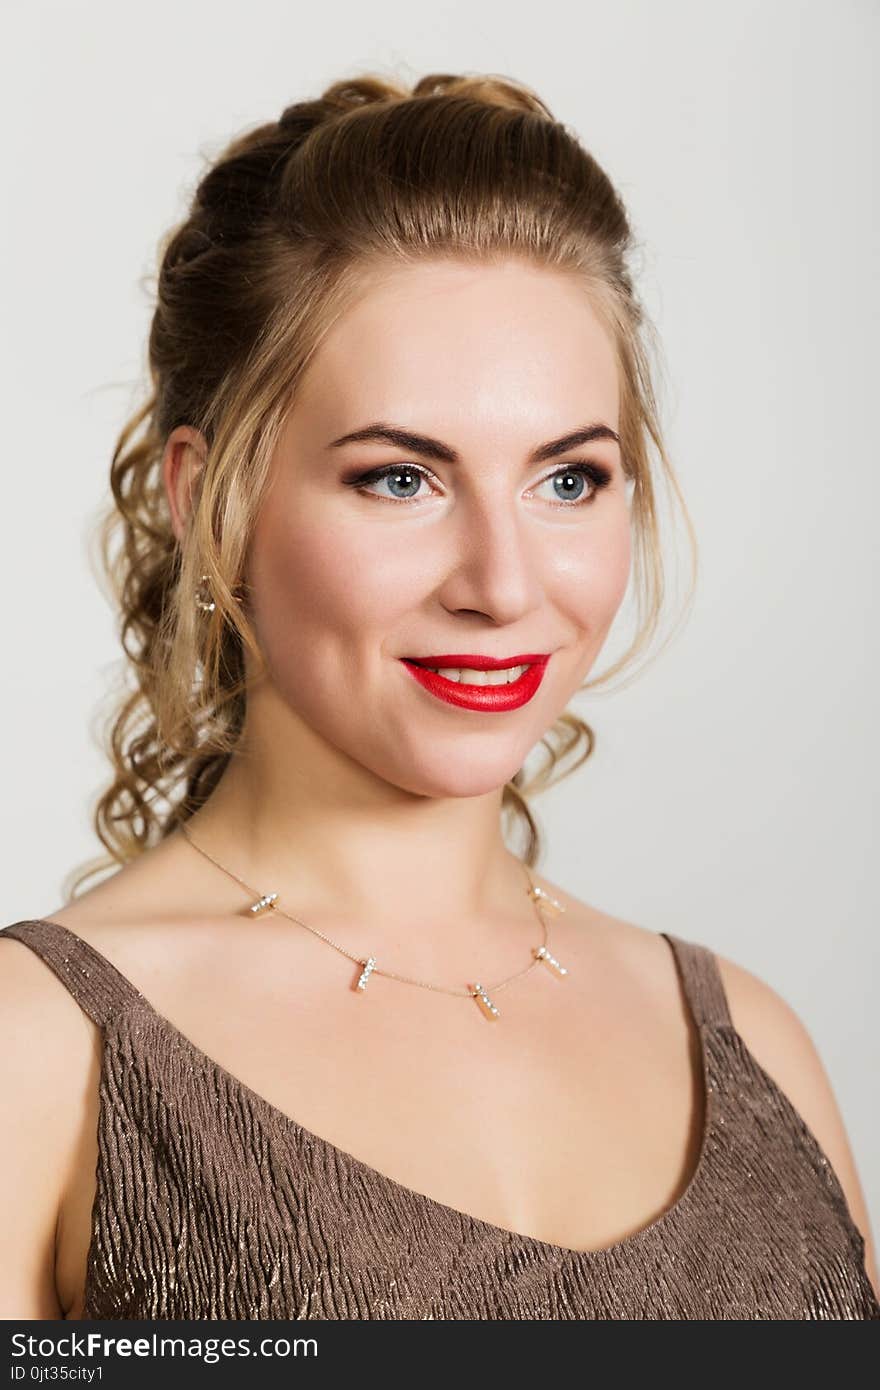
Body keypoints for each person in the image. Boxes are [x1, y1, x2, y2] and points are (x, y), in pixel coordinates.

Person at [1, 71, 877, 1322]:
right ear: (211, 498)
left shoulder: (750, 1044)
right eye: (400, 479)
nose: (503, 584)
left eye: (568, 480)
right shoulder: (40, 1053)